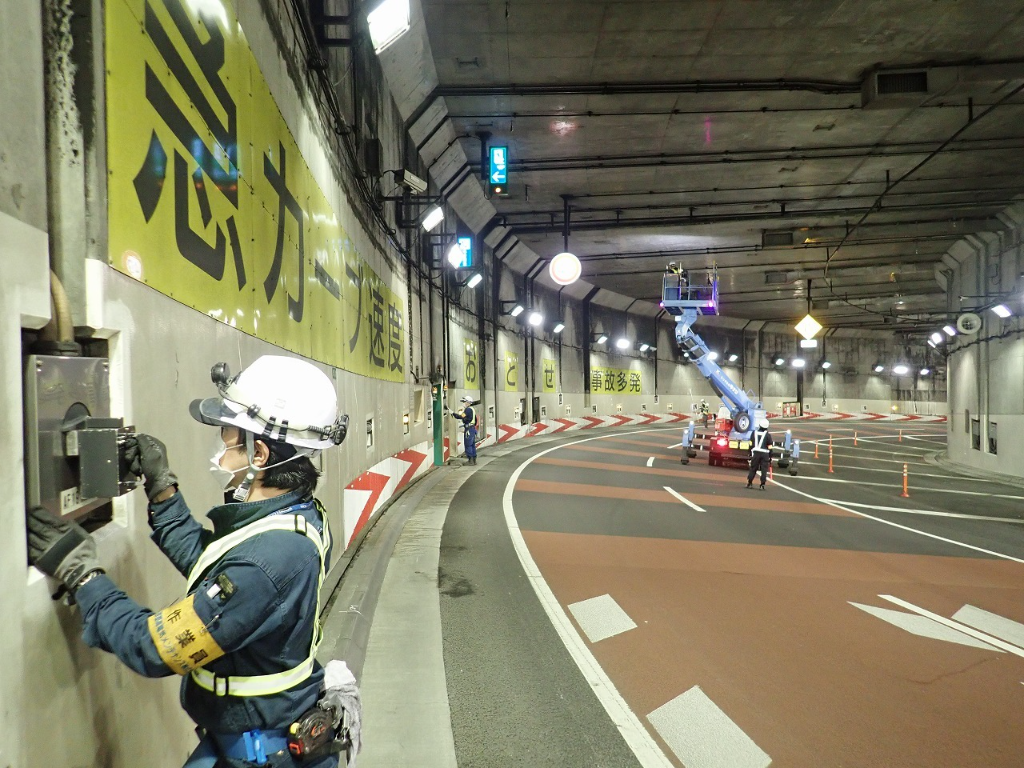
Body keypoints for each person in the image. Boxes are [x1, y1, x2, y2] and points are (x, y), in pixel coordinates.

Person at [26, 356, 355, 768]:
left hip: (259, 755)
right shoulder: (292, 517)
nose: (221, 445)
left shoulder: (268, 561)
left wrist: (83, 574)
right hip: (251, 739)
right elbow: (209, 564)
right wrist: (162, 489)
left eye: (228, 435)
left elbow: (155, 647)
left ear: (260, 453)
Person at [746, 418, 773, 490]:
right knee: (764, 470)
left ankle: (750, 482)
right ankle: (762, 484)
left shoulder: (754, 433)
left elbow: (751, 444)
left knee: (753, 468)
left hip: (756, 453)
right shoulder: (768, 435)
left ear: (759, 425)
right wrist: (770, 456)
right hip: (765, 454)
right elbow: (770, 446)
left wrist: (749, 453)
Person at [452, 395, 478, 465]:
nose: (463, 403)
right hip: (472, 429)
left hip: (469, 430)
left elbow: (461, 416)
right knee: (472, 445)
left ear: (468, 402)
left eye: (464, 401)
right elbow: (475, 420)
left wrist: (453, 413)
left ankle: (470, 460)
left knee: (468, 445)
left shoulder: (468, 410)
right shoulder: (472, 409)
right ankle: (474, 460)